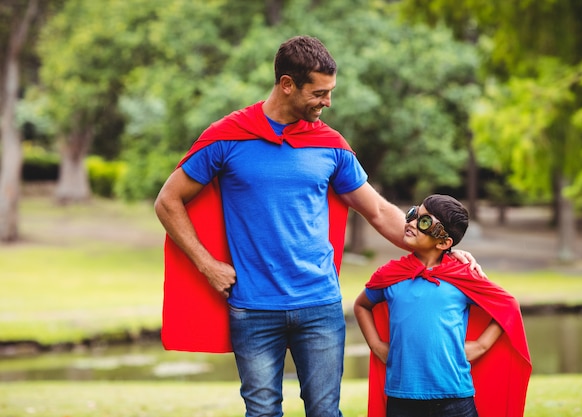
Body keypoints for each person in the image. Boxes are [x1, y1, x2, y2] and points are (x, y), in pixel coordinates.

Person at [154, 36, 482, 417]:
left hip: (320, 306)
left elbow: (376, 210)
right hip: (253, 307)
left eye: (331, 92)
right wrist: (207, 264)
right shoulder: (229, 137)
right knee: (261, 413)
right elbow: (168, 201)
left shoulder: (330, 145)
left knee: (326, 412)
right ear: (287, 85)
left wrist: (437, 245)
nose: (328, 102)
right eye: (320, 92)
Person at [353, 194, 532, 417]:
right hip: (401, 399)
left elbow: (508, 305)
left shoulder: (461, 275)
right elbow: (362, 305)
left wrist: (481, 345)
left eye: (424, 221)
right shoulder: (391, 275)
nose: (410, 223)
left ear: (444, 242)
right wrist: (376, 344)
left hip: (455, 399)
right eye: (413, 214)